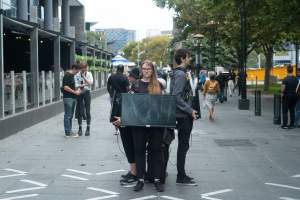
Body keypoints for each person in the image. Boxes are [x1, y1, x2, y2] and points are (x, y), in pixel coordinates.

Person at [114, 60, 165, 192]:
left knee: (156, 151)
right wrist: (123, 118)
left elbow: (164, 105)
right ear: (141, 70)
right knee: (139, 151)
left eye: (149, 68)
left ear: (153, 70)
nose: (146, 70)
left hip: (156, 124)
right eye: (144, 68)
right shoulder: (135, 85)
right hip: (138, 124)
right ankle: (140, 180)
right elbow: (130, 105)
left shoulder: (159, 85)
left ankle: (157, 179)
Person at [170, 49, 197, 185]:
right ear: (182, 58)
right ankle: (181, 175)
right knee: (183, 145)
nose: (190, 59)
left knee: (183, 145)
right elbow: (176, 96)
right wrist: (190, 110)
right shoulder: (180, 74)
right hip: (183, 115)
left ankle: (181, 174)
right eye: (188, 57)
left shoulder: (180, 73)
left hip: (183, 114)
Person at [107, 65, 138, 184]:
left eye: (131, 75)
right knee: (129, 144)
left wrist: (112, 94)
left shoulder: (112, 76)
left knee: (130, 144)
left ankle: (135, 172)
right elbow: (126, 89)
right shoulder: (127, 81)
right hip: (123, 107)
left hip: (121, 105)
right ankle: (134, 171)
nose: (129, 77)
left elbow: (108, 87)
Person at [62, 64, 81, 137]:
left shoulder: (72, 76)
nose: (77, 73)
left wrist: (78, 89)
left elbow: (72, 86)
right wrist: (75, 92)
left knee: (70, 115)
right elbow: (65, 87)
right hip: (68, 98)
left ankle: (69, 131)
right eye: (77, 71)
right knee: (68, 115)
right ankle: (67, 132)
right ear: (73, 68)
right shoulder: (67, 75)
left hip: (73, 98)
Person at [75, 62, 93, 136]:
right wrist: (83, 85)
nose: (84, 69)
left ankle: (88, 128)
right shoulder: (77, 75)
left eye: (85, 68)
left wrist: (84, 77)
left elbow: (91, 83)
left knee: (88, 110)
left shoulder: (89, 74)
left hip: (87, 92)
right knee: (80, 110)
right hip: (80, 92)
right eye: (82, 68)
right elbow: (76, 85)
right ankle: (80, 128)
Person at [281, 65, 299, 129]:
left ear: (287, 70)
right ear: (292, 71)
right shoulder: (296, 79)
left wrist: (282, 93)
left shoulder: (285, 79)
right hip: (294, 97)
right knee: (292, 111)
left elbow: (283, 89)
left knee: (285, 111)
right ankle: (292, 124)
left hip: (286, 97)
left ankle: (285, 125)